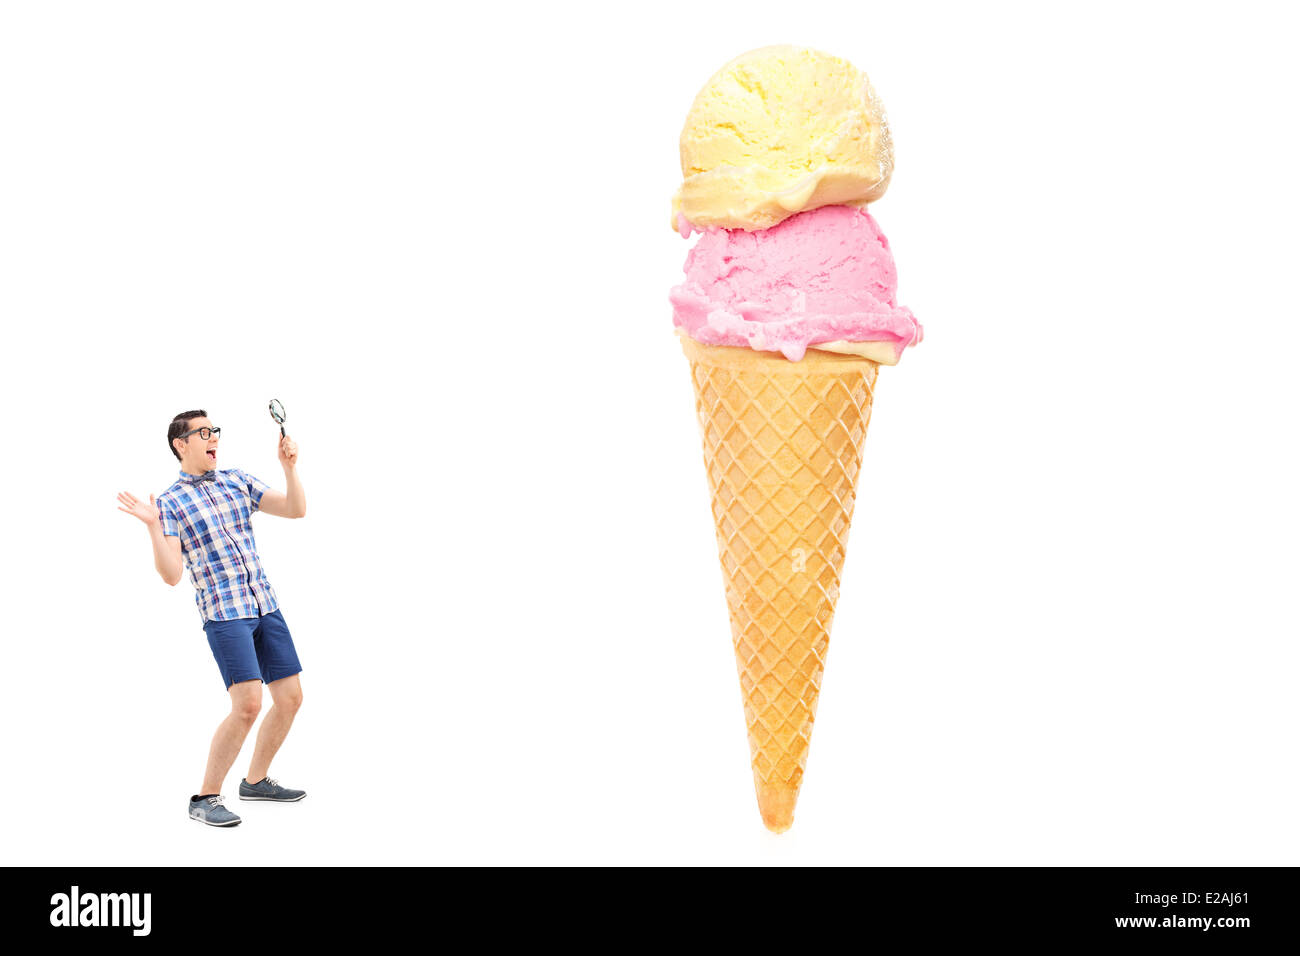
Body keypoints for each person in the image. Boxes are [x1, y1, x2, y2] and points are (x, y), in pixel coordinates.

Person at [117, 409, 308, 827]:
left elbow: (295, 509)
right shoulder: (169, 503)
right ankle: (204, 798)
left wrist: (288, 468)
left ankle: (255, 782)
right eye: (202, 433)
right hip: (226, 615)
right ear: (180, 444)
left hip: (265, 605)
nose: (212, 438)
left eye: (214, 431)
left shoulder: (237, 480)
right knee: (247, 706)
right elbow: (171, 576)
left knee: (291, 699)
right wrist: (152, 527)